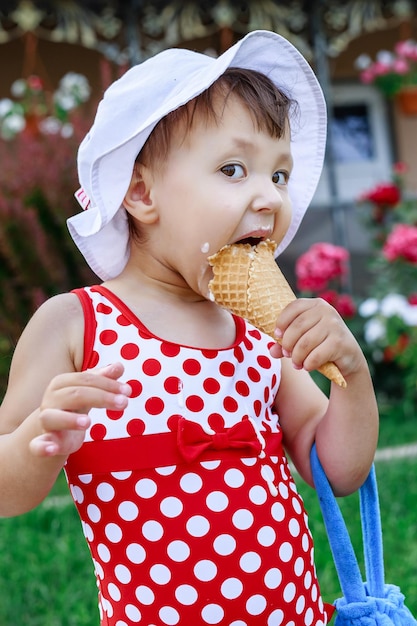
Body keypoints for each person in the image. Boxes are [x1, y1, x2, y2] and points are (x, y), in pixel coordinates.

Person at [0, 29, 378, 626]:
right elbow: (6, 491)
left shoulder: (260, 335)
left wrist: (352, 379)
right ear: (142, 192)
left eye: (279, 175)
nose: (270, 197)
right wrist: (37, 442)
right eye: (233, 168)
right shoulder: (77, 324)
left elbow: (337, 470)